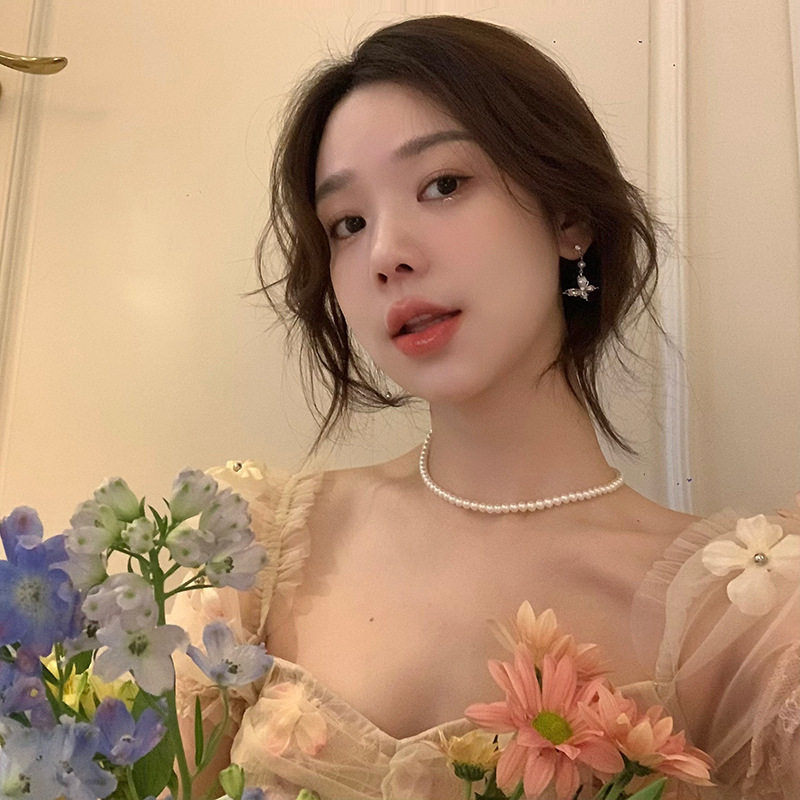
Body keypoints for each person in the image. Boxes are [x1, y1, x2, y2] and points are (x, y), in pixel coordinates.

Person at [173, 15, 799, 800]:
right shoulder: (250, 550)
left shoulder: (741, 619)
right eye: (348, 224)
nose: (386, 254)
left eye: (443, 184)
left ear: (569, 217)